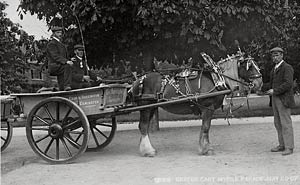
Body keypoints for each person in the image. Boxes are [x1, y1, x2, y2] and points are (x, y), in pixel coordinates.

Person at [265, 47, 295, 156]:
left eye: (277, 55)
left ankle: (289, 147)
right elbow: (271, 84)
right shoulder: (274, 69)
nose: (275, 57)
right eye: (273, 56)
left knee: (285, 123)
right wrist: (259, 88)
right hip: (275, 98)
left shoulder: (287, 68)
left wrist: (275, 91)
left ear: (282, 55)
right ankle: (282, 145)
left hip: (284, 99)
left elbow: (288, 84)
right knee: (277, 123)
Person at [46, 26, 73, 91]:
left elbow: (64, 57)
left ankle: (62, 90)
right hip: (54, 66)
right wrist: (66, 62)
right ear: (53, 34)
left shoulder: (61, 44)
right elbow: (55, 56)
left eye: (61, 33)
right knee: (67, 66)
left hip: (60, 65)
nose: (60, 34)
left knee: (61, 79)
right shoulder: (51, 44)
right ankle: (67, 86)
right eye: (58, 33)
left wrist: (70, 60)